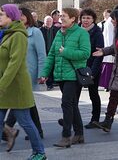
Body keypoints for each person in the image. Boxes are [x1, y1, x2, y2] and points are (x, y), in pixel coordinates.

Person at [0, 4, 47, 160]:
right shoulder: (6, 33)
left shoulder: (19, 36)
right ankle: (10, 133)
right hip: (5, 86)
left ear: (11, 17)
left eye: (1, 14)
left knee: (26, 121)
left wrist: (1, 85)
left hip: (16, 86)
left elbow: (15, 63)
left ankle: (39, 152)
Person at [39, 8, 90, 147]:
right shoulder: (59, 34)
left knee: (66, 103)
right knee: (72, 104)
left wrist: (66, 52)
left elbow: (85, 53)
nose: (61, 18)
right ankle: (79, 134)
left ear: (73, 18)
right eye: (60, 16)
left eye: (64, 16)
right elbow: (51, 55)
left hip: (74, 75)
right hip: (60, 75)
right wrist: (44, 73)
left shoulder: (81, 33)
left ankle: (66, 136)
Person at [79, 8, 104, 128]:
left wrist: (93, 72)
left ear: (93, 19)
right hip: (77, 67)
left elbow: (98, 55)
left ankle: (95, 119)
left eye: (88, 18)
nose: (85, 20)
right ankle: (72, 118)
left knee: (93, 94)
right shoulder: (77, 31)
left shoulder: (97, 33)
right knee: (73, 95)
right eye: (83, 17)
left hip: (91, 68)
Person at [40, 16, 60, 90]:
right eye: (47, 21)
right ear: (44, 22)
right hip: (44, 51)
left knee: (52, 67)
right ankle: (46, 81)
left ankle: (50, 83)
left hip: (53, 51)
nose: (48, 23)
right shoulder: (40, 30)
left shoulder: (56, 30)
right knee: (46, 67)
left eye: (50, 21)